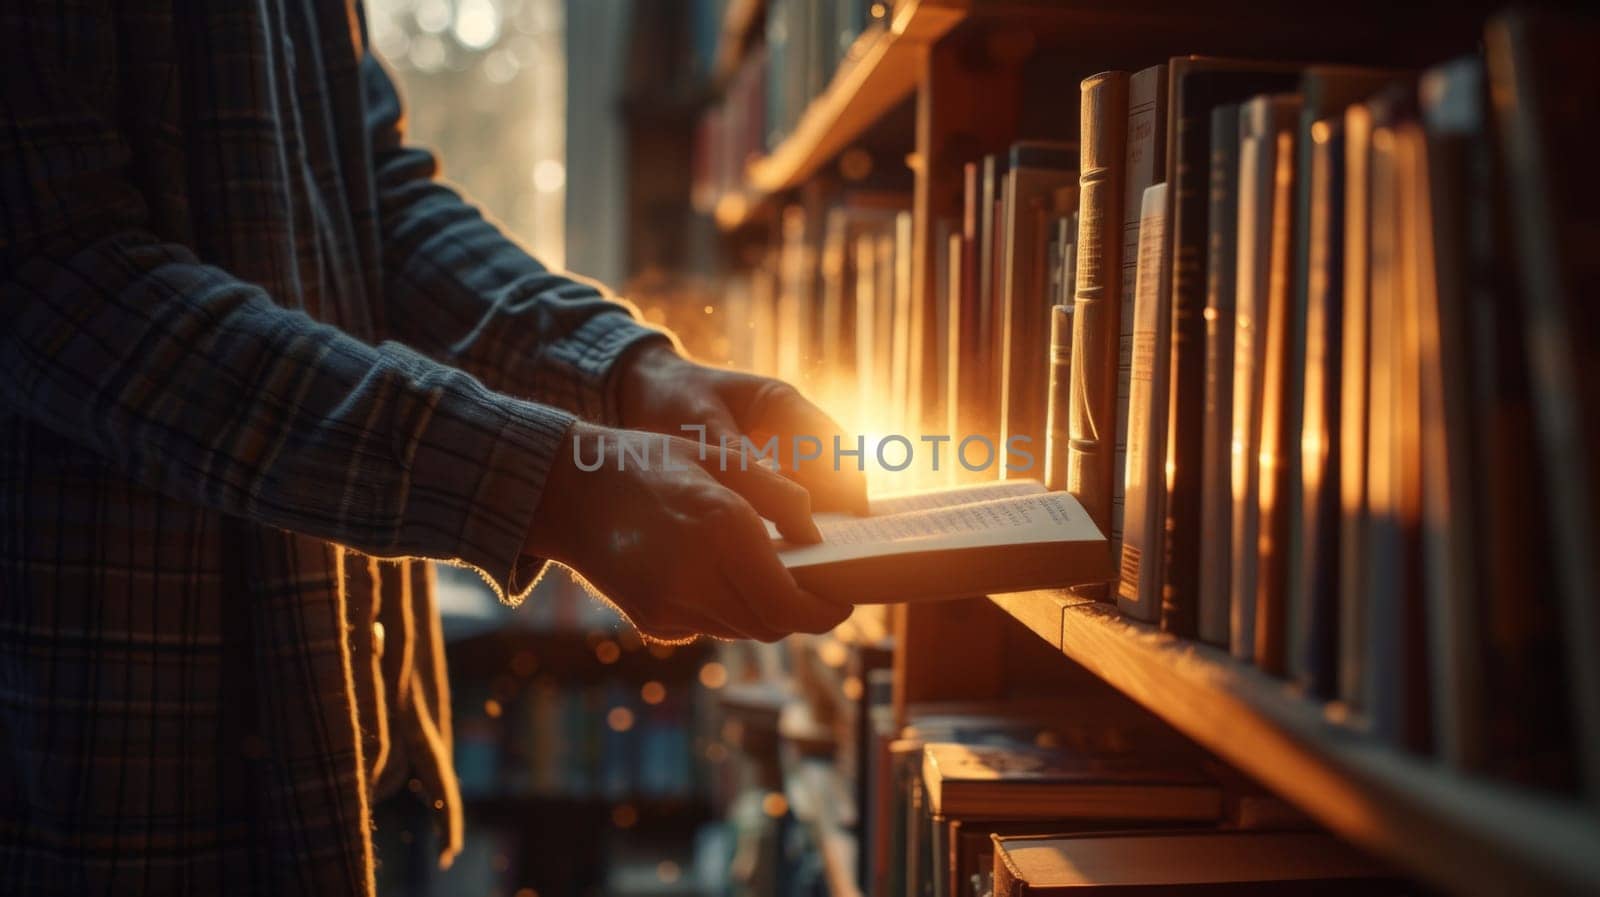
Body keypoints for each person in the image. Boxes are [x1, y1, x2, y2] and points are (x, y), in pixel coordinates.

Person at [0, 2, 865, 893]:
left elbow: (381, 200)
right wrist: (548, 483)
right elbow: (55, 272)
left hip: (323, 716)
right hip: (117, 759)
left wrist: (635, 371)